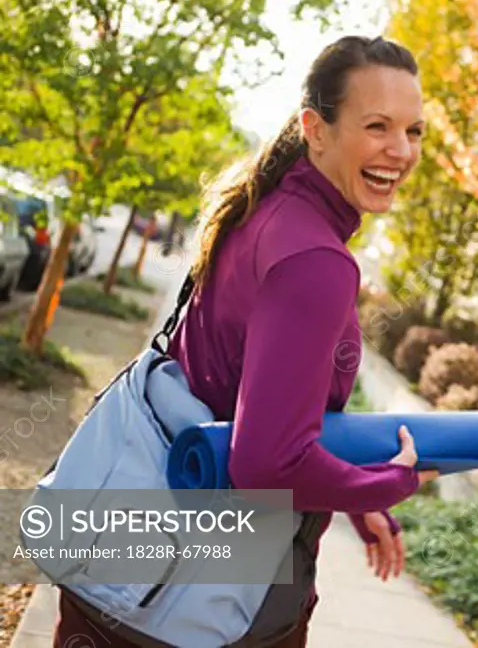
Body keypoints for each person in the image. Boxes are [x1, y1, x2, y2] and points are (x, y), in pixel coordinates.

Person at [52, 35, 438, 647]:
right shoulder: (317, 259)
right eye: (377, 125)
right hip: (196, 596)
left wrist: (352, 494)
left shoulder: (261, 209)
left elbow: (233, 391)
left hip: (118, 566)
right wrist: (388, 481)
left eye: (414, 131)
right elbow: (266, 463)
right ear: (316, 128)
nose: (401, 150)